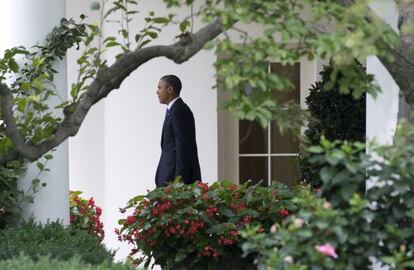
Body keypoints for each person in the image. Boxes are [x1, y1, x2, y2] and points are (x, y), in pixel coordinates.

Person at [155, 75, 201, 187]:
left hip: (174, 181)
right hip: (168, 177)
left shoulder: (179, 111)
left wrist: (179, 180)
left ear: (170, 89)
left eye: (160, 88)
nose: (157, 92)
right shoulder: (173, 110)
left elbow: (183, 147)